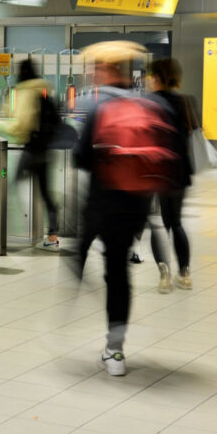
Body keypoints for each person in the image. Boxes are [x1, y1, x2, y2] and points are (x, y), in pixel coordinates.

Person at [74, 41, 163, 377]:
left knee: (82, 257)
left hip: (103, 202)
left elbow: (81, 158)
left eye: (98, 68)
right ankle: (115, 351)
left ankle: (69, 309)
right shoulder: (148, 104)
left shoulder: (100, 108)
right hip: (136, 203)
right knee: (119, 274)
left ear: (108, 70)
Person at [0, 57, 61, 251]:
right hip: (47, 150)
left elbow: (19, 125)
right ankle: (52, 236)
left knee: (10, 186)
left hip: (31, 149)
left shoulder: (24, 93)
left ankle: (13, 230)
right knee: (46, 193)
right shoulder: (43, 90)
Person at [146, 58, 195, 293]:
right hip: (180, 171)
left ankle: (164, 273)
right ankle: (184, 273)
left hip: (156, 170)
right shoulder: (186, 102)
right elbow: (194, 131)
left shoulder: (149, 104)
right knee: (175, 222)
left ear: (156, 77)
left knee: (157, 224)